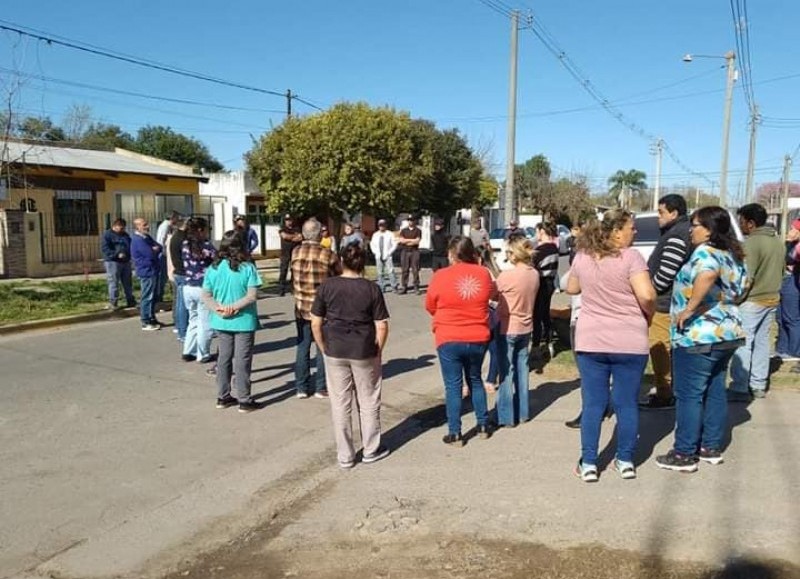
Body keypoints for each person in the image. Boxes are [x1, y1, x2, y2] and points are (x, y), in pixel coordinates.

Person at [566, 209, 656, 482]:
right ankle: (625, 459)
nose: (635, 231)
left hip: (591, 339)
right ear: (616, 231)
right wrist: (647, 315)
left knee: (593, 403)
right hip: (629, 339)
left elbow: (571, 289)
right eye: (631, 227)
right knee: (626, 403)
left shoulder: (583, 256)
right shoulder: (631, 257)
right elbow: (647, 295)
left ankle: (589, 462)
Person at [656, 206, 747, 473]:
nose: (690, 231)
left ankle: (684, 452)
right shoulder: (731, 254)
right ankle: (710, 446)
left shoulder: (705, 253)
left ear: (708, 230)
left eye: (694, 225)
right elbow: (743, 286)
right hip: (727, 333)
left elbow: (706, 275)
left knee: (689, 394)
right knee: (715, 389)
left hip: (699, 336)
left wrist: (690, 307)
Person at [311, 243, 391, 468]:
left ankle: (345, 455)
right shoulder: (371, 288)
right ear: (363, 263)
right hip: (364, 349)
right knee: (368, 401)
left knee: (340, 403)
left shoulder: (327, 286)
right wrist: (379, 348)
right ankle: (371, 449)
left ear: (341, 260)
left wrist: (323, 345)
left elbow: (316, 322)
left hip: (335, 349)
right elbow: (382, 325)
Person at [425, 236, 497, 446]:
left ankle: (455, 432)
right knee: (475, 379)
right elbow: (492, 296)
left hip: (449, 336)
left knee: (453, 386)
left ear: (452, 254)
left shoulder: (441, 276)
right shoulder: (483, 274)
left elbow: (430, 304)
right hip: (477, 335)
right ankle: (483, 424)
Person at [728, 203, 786, 401]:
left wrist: (737, 299)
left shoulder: (751, 243)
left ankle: (739, 386)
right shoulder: (777, 241)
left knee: (744, 342)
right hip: (772, 297)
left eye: (742, 221)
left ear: (751, 223)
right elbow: (782, 270)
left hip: (752, 300)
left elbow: (747, 277)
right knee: (762, 343)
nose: (740, 224)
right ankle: (758, 385)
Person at [641, 194, 692, 410]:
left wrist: (649, 292)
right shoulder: (677, 232)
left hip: (663, 303)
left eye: (661, 212)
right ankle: (668, 390)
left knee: (660, 347)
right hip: (668, 300)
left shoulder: (676, 236)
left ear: (674, 213)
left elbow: (666, 274)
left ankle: (665, 394)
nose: (657, 217)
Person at [202, 231, 262, 413]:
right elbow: (252, 296)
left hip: (221, 320)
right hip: (243, 320)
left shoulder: (213, 268)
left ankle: (223, 396)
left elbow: (206, 295)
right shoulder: (247, 268)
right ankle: (244, 398)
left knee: (224, 359)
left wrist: (220, 309)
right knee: (243, 360)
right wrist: (234, 307)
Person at [292, 218, 340, 399]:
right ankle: (321, 386)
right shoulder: (328, 254)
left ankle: (301, 387)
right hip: (324, 308)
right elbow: (339, 276)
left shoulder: (295, 252)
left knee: (302, 346)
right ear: (319, 234)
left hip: (301, 306)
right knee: (323, 346)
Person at [494, 236, 540, 427]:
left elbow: (493, 294)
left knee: (506, 372)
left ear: (514, 254)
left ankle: (505, 416)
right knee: (522, 369)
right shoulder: (534, 274)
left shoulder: (507, 276)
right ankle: (523, 412)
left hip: (508, 325)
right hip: (526, 325)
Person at [182, 217, 217, 364]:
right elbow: (218, 260)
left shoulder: (185, 244)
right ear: (201, 230)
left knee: (193, 319)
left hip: (188, 287)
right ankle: (203, 354)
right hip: (203, 287)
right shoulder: (206, 246)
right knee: (206, 322)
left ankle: (189, 351)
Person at [531, 222, 560, 354]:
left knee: (537, 315)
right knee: (545, 314)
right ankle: (549, 342)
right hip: (550, 283)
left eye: (537, 232)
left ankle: (536, 346)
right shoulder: (554, 247)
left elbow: (532, 266)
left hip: (541, 284)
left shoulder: (542, 250)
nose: (536, 235)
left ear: (542, 231)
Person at [131, 218, 163, 331]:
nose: (147, 226)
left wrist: (155, 249)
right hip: (146, 271)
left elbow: (159, 247)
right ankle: (145, 320)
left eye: (147, 224)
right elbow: (149, 254)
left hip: (153, 269)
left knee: (153, 296)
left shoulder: (147, 237)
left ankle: (152, 317)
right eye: (144, 225)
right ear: (137, 227)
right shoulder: (138, 240)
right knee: (147, 296)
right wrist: (154, 250)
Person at [776, 219, 800, 362]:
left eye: (792, 228)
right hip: (784, 281)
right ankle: (782, 348)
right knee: (780, 317)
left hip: (793, 281)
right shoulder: (790, 244)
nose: (789, 231)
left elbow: (790, 260)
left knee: (792, 317)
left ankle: (794, 350)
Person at [101, 218, 135, 310]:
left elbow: (129, 245)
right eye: (120, 227)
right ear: (114, 226)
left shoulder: (125, 235)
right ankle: (113, 302)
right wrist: (116, 254)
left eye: (123, 228)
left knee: (128, 282)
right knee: (113, 282)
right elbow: (105, 249)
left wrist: (129, 255)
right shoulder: (107, 235)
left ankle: (130, 300)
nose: (122, 229)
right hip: (113, 262)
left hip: (125, 261)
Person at [167, 217, 189, 342]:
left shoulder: (176, 237)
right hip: (183, 272)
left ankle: (181, 329)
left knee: (181, 303)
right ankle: (183, 330)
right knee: (183, 304)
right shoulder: (182, 239)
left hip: (178, 272)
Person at [155, 211, 179, 304]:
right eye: (176, 218)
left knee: (165, 277)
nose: (177, 220)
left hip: (165, 254)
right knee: (163, 277)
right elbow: (161, 241)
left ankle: (160, 295)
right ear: (172, 218)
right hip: (163, 255)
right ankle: (158, 297)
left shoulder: (169, 227)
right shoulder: (165, 226)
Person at [369, 219, 397, 292]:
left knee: (390, 271)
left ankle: (394, 286)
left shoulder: (390, 234)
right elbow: (372, 244)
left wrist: (389, 252)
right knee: (380, 272)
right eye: (380, 225)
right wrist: (375, 252)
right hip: (378, 255)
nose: (381, 227)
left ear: (385, 226)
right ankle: (381, 286)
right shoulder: (375, 235)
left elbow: (394, 244)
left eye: (383, 225)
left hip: (387, 255)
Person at [278, 215, 302, 296]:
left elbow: (300, 238)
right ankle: (281, 290)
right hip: (285, 253)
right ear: (285, 221)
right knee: (283, 271)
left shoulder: (297, 228)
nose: (289, 222)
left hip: (294, 253)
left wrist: (290, 237)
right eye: (287, 220)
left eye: (290, 220)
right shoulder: (282, 229)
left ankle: (292, 288)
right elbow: (284, 236)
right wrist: (293, 237)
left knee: (294, 271)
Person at [398, 216, 422, 294]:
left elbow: (417, 241)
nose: (410, 222)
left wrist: (407, 241)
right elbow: (401, 240)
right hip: (405, 251)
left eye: (412, 220)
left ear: (414, 221)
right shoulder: (403, 230)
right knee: (405, 270)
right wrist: (411, 240)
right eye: (409, 220)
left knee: (415, 270)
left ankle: (416, 286)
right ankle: (404, 286)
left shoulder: (418, 230)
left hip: (414, 251)